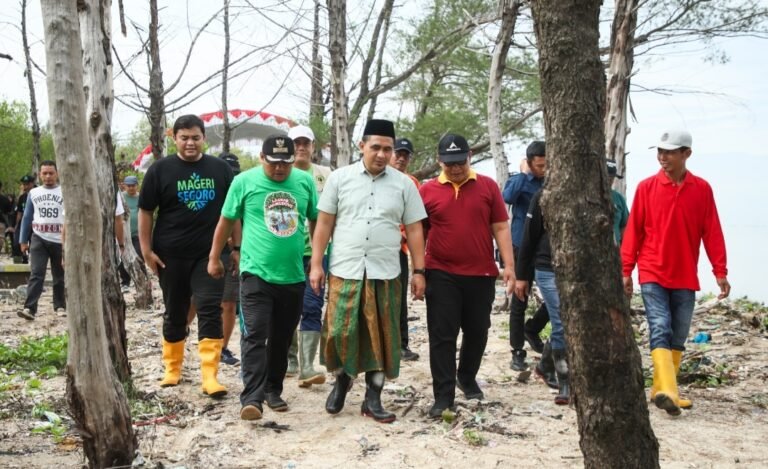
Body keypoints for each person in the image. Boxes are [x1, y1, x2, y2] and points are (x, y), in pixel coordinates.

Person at [309, 119, 427, 424]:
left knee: (382, 335)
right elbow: (324, 222)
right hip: (344, 269)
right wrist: (316, 263)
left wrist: (419, 270)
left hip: (385, 271)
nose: (382, 154)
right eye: (376, 147)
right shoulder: (340, 178)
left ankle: (373, 397)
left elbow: (415, 228)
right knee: (341, 332)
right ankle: (342, 381)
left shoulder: (404, 184)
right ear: (362, 146)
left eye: (388, 149)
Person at [209, 135, 318, 421]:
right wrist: (214, 257)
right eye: (273, 162)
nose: (280, 168)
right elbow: (226, 220)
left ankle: (272, 389)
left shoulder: (304, 182)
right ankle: (252, 398)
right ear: (261, 158)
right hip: (255, 272)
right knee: (255, 334)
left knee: (282, 337)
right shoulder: (244, 182)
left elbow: (316, 219)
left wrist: (318, 258)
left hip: (293, 275)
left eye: (286, 163)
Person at [621, 129, 730, 416]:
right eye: (660, 151)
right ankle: (670, 390)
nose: (662, 157)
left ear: (686, 154)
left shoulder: (702, 189)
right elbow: (633, 232)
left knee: (679, 334)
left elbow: (712, 231)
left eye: (669, 152)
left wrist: (720, 270)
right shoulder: (646, 187)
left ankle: (660, 390)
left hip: (685, 275)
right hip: (652, 270)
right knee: (660, 326)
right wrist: (626, 269)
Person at [138, 114, 236, 398]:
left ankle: (210, 375)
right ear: (174, 138)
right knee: (176, 310)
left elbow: (233, 212)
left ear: (204, 137)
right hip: (170, 254)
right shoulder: (159, 170)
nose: (190, 143)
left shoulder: (220, 169)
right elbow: (146, 211)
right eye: (184, 138)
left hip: (211, 254)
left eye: (195, 137)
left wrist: (237, 248)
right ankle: (173, 368)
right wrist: (146, 250)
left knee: (209, 308)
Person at [420, 134, 516, 417]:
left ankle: (466, 376)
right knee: (442, 335)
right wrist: (417, 271)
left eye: (460, 162)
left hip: (481, 272)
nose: (455, 168)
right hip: (440, 272)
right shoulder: (427, 191)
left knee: (477, 330)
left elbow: (500, 227)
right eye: (449, 163)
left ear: (470, 157)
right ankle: (443, 396)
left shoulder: (487, 186)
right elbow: (418, 232)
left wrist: (510, 266)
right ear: (439, 161)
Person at [514, 190, 569, 405]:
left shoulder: (591, 191)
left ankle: (545, 366)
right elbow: (528, 237)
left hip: (578, 268)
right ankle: (565, 382)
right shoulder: (543, 196)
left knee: (566, 322)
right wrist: (521, 275)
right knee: (562, 321)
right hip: (547, 268)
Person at [286, 124, 331, 386]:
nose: (301, 147)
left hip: (317, 252)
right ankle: (290, 358)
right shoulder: (280, 172)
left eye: (306, 143)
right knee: (288, 307)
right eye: (296, 143)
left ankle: (308, 366)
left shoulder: (326, 175)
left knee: (313, 305)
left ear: (313, 147)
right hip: (286, 252)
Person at [501, 141, 551, 371]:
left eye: (546, 164)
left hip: (546, 249)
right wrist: (523, 175)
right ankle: (517, 350)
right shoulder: (519, 180)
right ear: (530, 163)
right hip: (521, 247)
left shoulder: (552, 181)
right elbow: (507, 197)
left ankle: (532, 328)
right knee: (520, 298)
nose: (543, 169)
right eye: (539, 165)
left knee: (557, 297)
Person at [17, 161, 65, 320]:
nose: (48, 176)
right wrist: (23, 240)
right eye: (45, 173)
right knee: (37, 273)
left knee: (59, 275)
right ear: (40, 175)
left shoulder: (64, 191)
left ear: (57, 174)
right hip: (39, 238)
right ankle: (29, 308)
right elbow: (26, 217)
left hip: (60, 239)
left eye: (51, 173)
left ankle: (60, 306)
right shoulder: (34, 193)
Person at [389, 137, 421, 362]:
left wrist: (402, 234)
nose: (401, 158)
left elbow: (415, 217)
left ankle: (401, 344)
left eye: (405, 155)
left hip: (399, 249)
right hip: (374, 248)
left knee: (399, 299)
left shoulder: (411, 182)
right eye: (398, 153)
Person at [218, 152, 242, 366]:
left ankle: (222, 347)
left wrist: (237, 246)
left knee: (229, 302)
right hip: (208, 252)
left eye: (234, 173)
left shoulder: (242, 191)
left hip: (234, 252)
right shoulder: (211, 191)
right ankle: (179, 334)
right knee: (196, 301)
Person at [118, 175, 142, 289]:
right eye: (129, 186)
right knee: (122, 258)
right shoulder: (120, 197)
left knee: (138, 256)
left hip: (137, 234)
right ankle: (125, 282)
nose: (131, 188)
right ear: (124, 186)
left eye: (133, 185)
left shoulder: (141, 197)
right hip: (124, 234)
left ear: (137, 185)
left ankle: (140, 280)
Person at [11, 175, 36, 263]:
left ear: (32, 184)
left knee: (33, 244)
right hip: (23, 222)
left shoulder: (38, 193)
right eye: (24, 184)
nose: (25, 186)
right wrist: (16, 225)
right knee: (17, 242)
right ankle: (20, 261)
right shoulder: (22, 197)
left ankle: (32, 261)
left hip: (35, 223)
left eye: (27, 184)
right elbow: (19, 212)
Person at [606, 160, 629, 245]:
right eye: (606, 176)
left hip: (615, 248)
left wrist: (623, 247)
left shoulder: (619, 198)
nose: (609, 180)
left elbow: (625, 225)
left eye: (612, 177)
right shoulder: (588, 197)